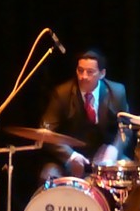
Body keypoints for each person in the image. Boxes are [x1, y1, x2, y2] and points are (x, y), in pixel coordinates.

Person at [39, 48, 132, 180]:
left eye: (90, 72)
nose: (83, 77)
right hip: (69, 157)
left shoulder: (117, 92)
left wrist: (114, 150)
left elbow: (125, 128)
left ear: (102, 74)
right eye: (80, 70)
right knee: (47, 176)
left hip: (103, 157)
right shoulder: (62, 93)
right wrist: (70, 156)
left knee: (130, 175)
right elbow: (46, 131)